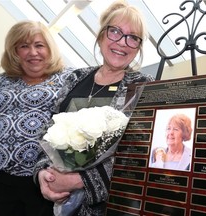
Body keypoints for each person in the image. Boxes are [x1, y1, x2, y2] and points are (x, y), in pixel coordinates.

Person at [34, 0, 155, 215]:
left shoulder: (144, 87)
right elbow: (48, 131)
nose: (123, 42)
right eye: (115, 31)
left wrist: (81, 180)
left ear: (138, 48)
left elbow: (141, 155)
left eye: (133, 37)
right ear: (100, 36)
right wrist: (44, 173)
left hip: (111, 208)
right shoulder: (74, 78)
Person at [0, 21, 74, 216]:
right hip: (4, 181)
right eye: (24, 46)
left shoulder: (68, 79)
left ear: (50, 48)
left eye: (39, 45)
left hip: (48, 181)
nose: (33, 52)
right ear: (14, 51)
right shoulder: (2, 81)